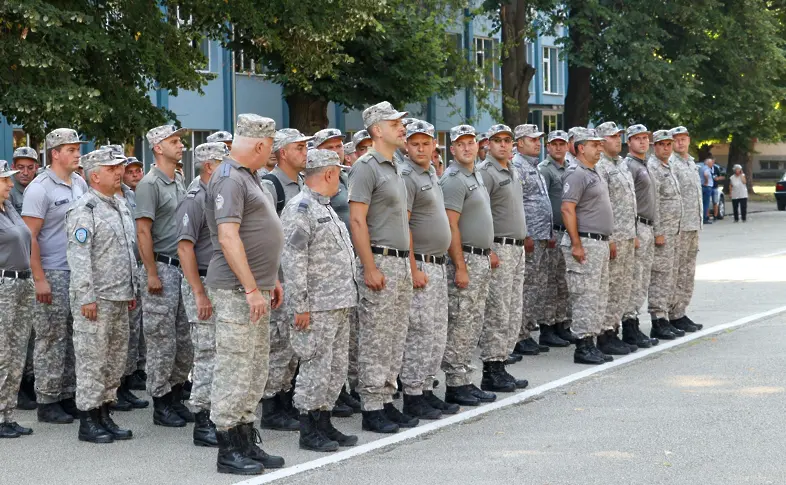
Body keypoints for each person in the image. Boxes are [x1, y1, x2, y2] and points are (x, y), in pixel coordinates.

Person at [204, 113, 285, 475]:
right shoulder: (228, 179)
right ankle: (227, 447)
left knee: (254, 367)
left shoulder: (250, 177)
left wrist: (272, 279)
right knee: (235, 366)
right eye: (269, 148)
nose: (271, 154)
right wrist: (252, 287)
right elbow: (228, 237)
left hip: (258, 287)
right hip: (238, 289)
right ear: (257, 144)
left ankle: (245, 439)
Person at [281, 149, 359, 452]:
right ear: (328, 173)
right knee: (316, 367)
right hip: (316, 305)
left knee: (334, 368)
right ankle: (309, 428)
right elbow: (293, 260)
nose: (339, 178)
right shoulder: (301, 209)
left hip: (338, 301)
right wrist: (299, 305)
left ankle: (324, 422)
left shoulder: (323, 207)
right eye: (337, 173)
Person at [348, 101, 415, 434]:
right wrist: (369, 266)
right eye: (394, 124)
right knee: (376, 336)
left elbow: (404, 220)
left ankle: (387, 399)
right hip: (381, 258)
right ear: (376, 130)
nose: (402, 127)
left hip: (401, 261)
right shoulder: (366, 166)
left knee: (395, 334)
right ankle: (372, 405)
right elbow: (357, 221)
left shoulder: (396, 165)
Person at [66, 149, 137, 444]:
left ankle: (105, 412)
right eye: (111, 168)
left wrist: (131, 288)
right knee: (92, 360)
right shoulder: (85, 209)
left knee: (114, 360)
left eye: (119, 167)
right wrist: (86, 298)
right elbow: (79, 257)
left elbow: (126, 250)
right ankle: (89, 419)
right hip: (97, 299)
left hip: (120, 296)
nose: (118, 172)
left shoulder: (119, 204)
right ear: (95, 175)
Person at [22, 128, 88, 424]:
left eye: (77, 149)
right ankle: (47, 399)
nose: (77, 154)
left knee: (74, 336)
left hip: (77, 271)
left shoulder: (79, 183)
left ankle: (67, 393)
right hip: (52, 270)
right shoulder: (40, 188)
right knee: (50, 336)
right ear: (55, 153)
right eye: (71, 149)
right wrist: (39, 278)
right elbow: (29, 237)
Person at [135, 124, 194, 427]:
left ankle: (176, 393)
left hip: (183, 268)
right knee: (161, 340)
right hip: (163, 268)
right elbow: (143, 230)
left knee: (183, 338)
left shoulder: (179, 180)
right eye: (173, 141)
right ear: (158, 147)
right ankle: (160, 402)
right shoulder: (150, 184)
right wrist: (151, 272)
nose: (179, 145)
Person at [397, 120, 457, 420]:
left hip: (436, 264)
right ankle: (412, 394)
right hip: (420, 263)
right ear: (406, 146)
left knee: (435, 332)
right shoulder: (407, 176)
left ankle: (427, 389)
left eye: (426, 143)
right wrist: (412, 268)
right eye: (415, 143)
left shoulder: (431, 172)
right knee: (419, 332)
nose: (421, 149)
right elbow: (403, 224)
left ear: (435, 144)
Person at [259, 128, 313, 432]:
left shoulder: (302, 184)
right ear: (282, 153)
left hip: (297, 278)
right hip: (279, 278)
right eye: (299, 147)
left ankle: (285, 398)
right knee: (278, 345)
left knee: (293, 345)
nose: (305, 152)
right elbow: (268, 232)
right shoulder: (273, 184)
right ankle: (271, 407)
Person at [439, 124, 496, 406]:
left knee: (472, 321)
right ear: (452, 149)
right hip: (466, 258)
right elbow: (451, 224)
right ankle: (455, 382)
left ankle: (464, 377)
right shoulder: (453, 179)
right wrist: (460, 265)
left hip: (481, 256)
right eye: (460, 144)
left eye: (470, 142)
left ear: (477, 145)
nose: (466, 148)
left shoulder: (475, 175)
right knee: (461, 321)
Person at [176, 142, 227, 448]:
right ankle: (202, 420)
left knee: (221, 352)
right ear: (209, 166)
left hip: (219, 281)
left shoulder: (219, 196)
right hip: (203, 282)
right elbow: (184, 248)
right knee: (206, 353)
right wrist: (199, 293)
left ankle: (217, 413)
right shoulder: (194, 199)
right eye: (223, 163)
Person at [313, 128, 361, 417]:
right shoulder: (314, 192)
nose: (337, 150)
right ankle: (317, 409)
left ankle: (338, 392)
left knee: (344, 342)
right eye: (329, 147)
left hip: (346, 269)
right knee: (323, 348)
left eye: (340, 145)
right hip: (324, 277)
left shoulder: (345, 177)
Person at [476, 124, 528, 392]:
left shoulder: (512, 169)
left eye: (508, 140)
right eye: (497, 140)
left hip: (516, 248)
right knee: (497, 310)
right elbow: (480, 214)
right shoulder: (485, 172)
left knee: (512, 309)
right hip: (499, 246)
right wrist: (489, 249)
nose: (504, 145)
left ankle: (502, 362)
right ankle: (491, 368)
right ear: (487, 144)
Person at [560, 128, 614, 365]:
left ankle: (591, 340)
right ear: (581, 148)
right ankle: (582, 345)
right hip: (585, 241)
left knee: (598, 296)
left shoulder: (594, 172)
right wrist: (576, 243)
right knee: (585, 296)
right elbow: (567, 208)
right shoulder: (577, 174)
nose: (600, 148)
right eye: (595, 145)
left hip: (598, 242)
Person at [513, 124, 567, 353]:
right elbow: (517, 205)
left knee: (537, 286)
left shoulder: (531, 166)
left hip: (542, 236)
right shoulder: (517, 166)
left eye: (538, 139)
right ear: (520, 143)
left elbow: (542, 202)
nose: (537, 143)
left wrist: (550, 233)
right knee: (528, 287)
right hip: (530, 237)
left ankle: (526, 330)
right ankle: (520, 335)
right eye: (532, 139)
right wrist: (525, 234)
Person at [594, 122, 638, 355]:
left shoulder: (620, 164)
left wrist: (634, 232)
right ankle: (604, 333)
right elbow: (603, 204)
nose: (617, 140)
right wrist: (609, 237)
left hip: (627, 234)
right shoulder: (600, 167)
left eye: (619, 136)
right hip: (614, 236)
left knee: (622, 286)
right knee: (610, 286)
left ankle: (614, 328)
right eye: (612, 137)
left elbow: (629, 203)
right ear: (601, 142)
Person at [0, 159, 35, 438]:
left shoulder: (8, 206)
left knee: (17, 351)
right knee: (2, 352)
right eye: (4, 180)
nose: (10, 184)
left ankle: (8, 414)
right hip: (3, 285)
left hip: (23, 282)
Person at [620, 125, 659, 348]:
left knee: (642, 278)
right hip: (637, 226)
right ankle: (629, 324)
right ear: (629, 142)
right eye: (637, 139)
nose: (643, 142)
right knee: (634, 278)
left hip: (648, 226)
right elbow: (628, 202)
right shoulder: (630, 166)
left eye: (645, 138)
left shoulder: (645, 164)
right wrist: (633, 231)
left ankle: (633, 321)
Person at [538, 130, 577, 347]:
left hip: (566, 230)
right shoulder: (545, 170)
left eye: (562, 144)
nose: (559, 148)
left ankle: (562, 323)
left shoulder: (569, 168)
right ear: (548, 147)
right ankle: (547, 326)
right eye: (554, 144)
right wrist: (548, 231)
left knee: (563, 281)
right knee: (551, 281)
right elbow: (542, 204)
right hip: (553, 231)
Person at [10, 146, 40, 411]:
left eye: (30, 167)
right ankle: (17, 387)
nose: (25, 172)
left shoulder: (36, 190)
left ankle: (28, 380)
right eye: (21, 166)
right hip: (11, 269)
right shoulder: (8, 194)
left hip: (29, 268)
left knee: (29, 332)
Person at [647, 130, 684, 341]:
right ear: (655, 146)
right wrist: (658, 231)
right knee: (660, 276)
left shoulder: (667, 166)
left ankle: (666, 317)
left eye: (669, 144)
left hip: (674, 231)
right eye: (662, 144)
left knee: (669, 275)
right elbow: (655, 204)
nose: (666, 148)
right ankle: (658, 319)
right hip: (663, 233)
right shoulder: (653, 168)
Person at [669, 126, 703, 332]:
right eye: (676, 140)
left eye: (683, 139)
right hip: (679, 227)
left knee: (687, 272)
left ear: (689, 140)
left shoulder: (691, 163)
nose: (680, 143)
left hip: (693, 225)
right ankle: (671, 313)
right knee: (675, 271)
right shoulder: (671, 164)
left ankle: (681, 311)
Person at [118, 156, 148, 393]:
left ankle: (134, 371)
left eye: (139, 170)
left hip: (138, 266)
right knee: (123, 330)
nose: (136, 175)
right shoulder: (118, 196)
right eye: (131, 171)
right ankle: (123, 380)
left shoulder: (136, 195)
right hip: (119, 270)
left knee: (136, 326)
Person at [700, 159, 714, 224]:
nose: (712, 164)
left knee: (702, 203)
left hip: (702, 186)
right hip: (707, 187)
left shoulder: (702, 168)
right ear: (708, 163)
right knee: (706, 203)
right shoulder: (707, 168)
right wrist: (706, 182)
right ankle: (705, 218)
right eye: (711, 163)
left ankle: (702, 218)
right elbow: (706, 174)